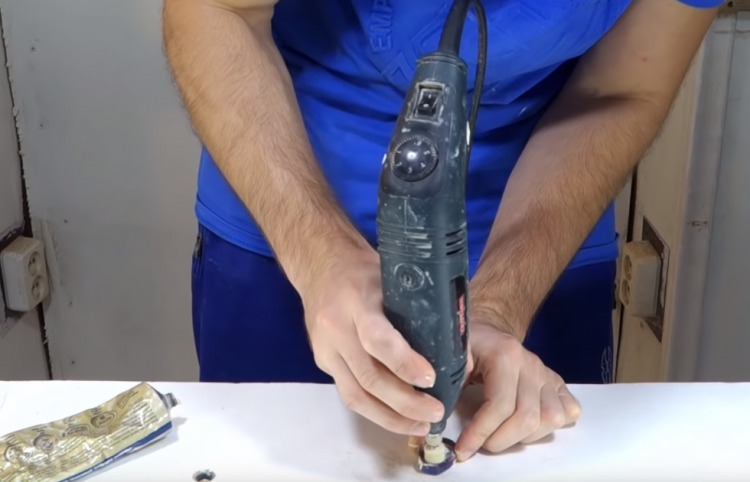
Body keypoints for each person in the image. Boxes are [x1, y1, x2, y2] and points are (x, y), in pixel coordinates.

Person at [163, 0, 721, 462]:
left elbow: (621, 88)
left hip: (541, 221)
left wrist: (500, 306)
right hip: (288, 198)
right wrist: (318, 255)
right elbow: (218, 12)